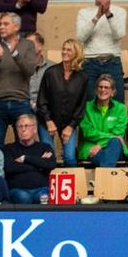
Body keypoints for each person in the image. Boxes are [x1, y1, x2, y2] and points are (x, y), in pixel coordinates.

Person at [0, 12, 38, 148]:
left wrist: (15, 54)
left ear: (16, 27)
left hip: (20, 101)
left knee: (25, 143)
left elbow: (30, 70)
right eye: (0, 24)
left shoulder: (28, 45)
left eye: (6, 24)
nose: (1, 27)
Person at [36, 38, 88, 167]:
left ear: (76, 53)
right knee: (49, 157)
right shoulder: (50, 72)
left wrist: (71, 126)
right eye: (63, 49)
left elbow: (81, 106)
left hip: (69, 123)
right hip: (46, 121)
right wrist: (48, 121)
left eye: (68, 50)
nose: (64, 52)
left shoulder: (82, 77)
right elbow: (41, 100)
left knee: (70, 158)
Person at [77, 0, 128, 102]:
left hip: (112, 62)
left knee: (117, 102)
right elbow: (81, 37)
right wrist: (97, 16)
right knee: (90, 103)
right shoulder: (83, 12)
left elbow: (119, 34)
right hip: (90, 62)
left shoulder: (120, 11)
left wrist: (108, 14)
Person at [3, 114, 56, 203]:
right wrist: (39, 164)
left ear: (35, 129)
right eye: (20, 126)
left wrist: (26, 158)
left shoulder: (45, 147)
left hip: (41, 188)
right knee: (24, 197)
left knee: (43, 197)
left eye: (26, 126)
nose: (23, 129)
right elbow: (8, 168)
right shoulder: (8, 149)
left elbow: (51, 164)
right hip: (17, 190)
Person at [79, 74, 128, 167]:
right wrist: (110, 138)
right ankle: (108, 171)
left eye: (106, 87)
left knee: (115, 142)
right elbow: (88, 132)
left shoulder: (121, 108)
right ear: (96, 90)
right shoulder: (86, 107)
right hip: (91, 147)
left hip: (113, 147)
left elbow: (118, 133)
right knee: (110, 153)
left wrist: (100, 145)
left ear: (113, 91)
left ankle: (106, 170)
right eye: (100, 87)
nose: (103, 90)